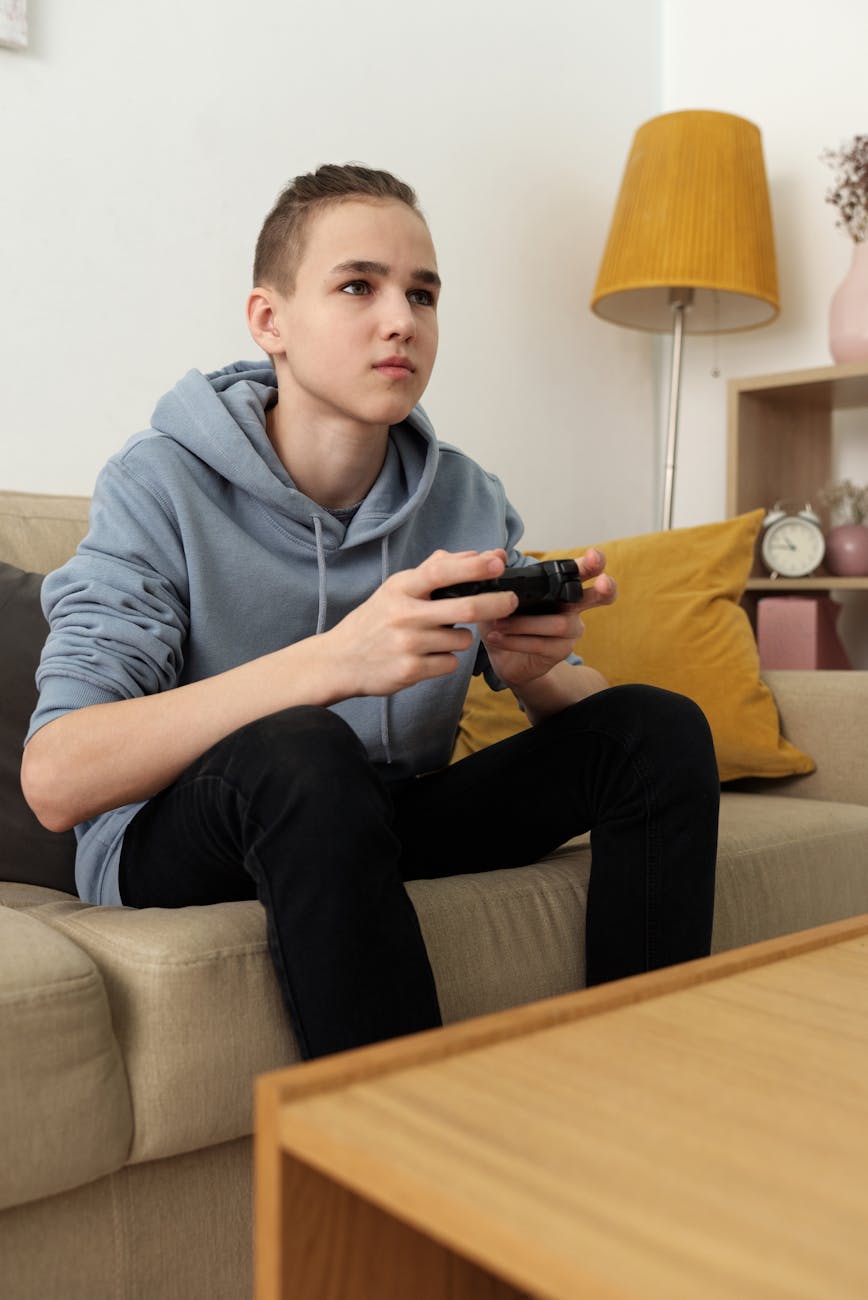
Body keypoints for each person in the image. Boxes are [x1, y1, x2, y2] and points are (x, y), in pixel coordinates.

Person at [21, 164, 719, 1060]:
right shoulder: (157, 484)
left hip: (380, 819)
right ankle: (399, 1160)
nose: (402, 320)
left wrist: (535, 673)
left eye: (422, 294)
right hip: (179, 837)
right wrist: (335, 661)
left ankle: (652, 1097)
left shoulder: (464, 494)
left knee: (653, 729)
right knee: (305, 745)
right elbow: (56, 778)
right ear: (269, 320)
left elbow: (605, 737)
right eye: (360, 285)